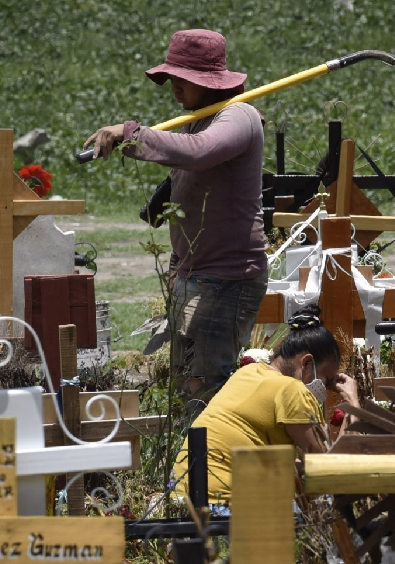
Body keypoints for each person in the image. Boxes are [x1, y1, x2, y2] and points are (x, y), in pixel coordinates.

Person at [85, 29, 268, 419]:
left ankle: (209, 457)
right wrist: (177, 269)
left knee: (205, 386)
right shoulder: (196, 121)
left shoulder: (238, 116)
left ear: (209, 80)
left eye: (183, 79)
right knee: (185, 382)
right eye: (171, 78)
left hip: (227, 278)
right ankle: (188, 456)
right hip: (194, 274)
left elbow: (200, 153)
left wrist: (131, 134)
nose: (174, 88)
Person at [172, 306, 359, 508]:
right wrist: (353, 402)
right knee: (330, 506)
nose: (326, 389)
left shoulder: (248, 373)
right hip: (223, 506)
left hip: (183, 498)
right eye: (326, 380)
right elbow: (328, 471)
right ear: (306, 363)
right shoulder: (293, 390)